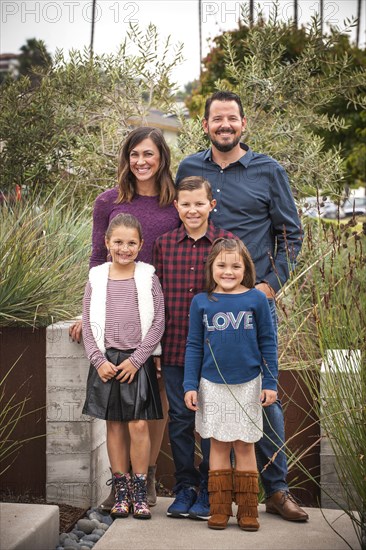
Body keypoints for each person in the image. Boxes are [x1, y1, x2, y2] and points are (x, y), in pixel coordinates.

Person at [176, 91, 308, 522]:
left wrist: (270, 286)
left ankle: (276, 488)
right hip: (206, 305)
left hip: (254, 305)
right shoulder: (190, 168)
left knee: (264, 398)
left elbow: (291, 235)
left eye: (232, 119)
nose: (225, 126)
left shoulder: (269, 171)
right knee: (206, 396)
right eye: (217, 119)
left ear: (243, 124)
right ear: (206, 124)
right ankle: (206, 491)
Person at [70, 127, 180, 510]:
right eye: (134, 154)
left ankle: (145, 476)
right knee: (119, 411)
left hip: (162, 308)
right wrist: (88, 315)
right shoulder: (109, 201)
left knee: (158, 393)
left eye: (149, 154)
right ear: (126, 158)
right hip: (116, 309)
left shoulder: (174, 202)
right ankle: (121, 486)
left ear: (162, 157)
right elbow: (97, 260)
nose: (142, 161)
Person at [153, 176, 236, 520]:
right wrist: (155, 348)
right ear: (177, 207)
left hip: (216, 352)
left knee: (214, 422)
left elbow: (238, 297)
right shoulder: (164, 243)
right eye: (185, 204)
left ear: (211, 205)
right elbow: (155, 299)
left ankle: (208, 487)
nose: (192, 210)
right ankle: (185, 486)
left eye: (199, 203)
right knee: (181, 419)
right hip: (174, 348)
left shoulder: (227, 244)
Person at [184, 237, 278, 531]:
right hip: (212, 385)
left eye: (235, 265)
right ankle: (220, 509)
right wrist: (190, 385)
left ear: (245, 268)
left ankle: (249, 511)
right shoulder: (201, 302)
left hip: (248, 385)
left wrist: (271, 382)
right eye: (221, 265)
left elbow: (268, 343)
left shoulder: (256, 299)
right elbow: (194, 346)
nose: (228, 271)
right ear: (211, 267)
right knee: (218, 447)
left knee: (246, 446)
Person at [82, 213, 165, 519]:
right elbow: (89, 324)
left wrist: (137, 359)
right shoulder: (96, 278)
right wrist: (97, 360)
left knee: (139, 424)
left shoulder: (148, 277)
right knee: (114, 424)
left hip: (136, 361)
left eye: (131, 243)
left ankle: (140, 491)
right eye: (118, 242)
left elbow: (158, 322)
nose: (125, 248)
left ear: (141, 245)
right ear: (107, 243)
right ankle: (120, 492)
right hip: (106, 361)